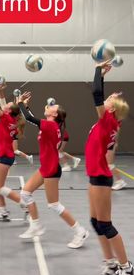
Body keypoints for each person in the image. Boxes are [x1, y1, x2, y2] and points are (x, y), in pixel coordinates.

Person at [17, 92, 89, 249]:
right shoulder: (50, 125)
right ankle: (36, 225)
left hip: (51, 169)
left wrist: (20, 102)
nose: (48, 106)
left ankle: (80, 231)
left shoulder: (51, 125)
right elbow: (34, 120)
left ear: (54, 114)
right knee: (25, 193)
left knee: (54, 204)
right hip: (46, 167)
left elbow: (29, 119)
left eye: (52, 106)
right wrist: (26, 106)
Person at [86, 61, 133, 275]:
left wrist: (98, 69)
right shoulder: (109, 121)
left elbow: (96, 92)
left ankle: (127, 268)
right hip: (94, 176)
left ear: (112, 109)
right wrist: (103, 77)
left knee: (105, 224)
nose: (105, 101)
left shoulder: (107, 120)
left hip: (101, 177)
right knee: (95, 223)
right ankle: (112, 264)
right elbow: (100, 94)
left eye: (109, 102)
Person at [0, 83, 24, 221]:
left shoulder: (6, 118)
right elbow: (3, 104)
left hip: (5, 156)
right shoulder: (12, 119)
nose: (6, 105)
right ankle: (2, 211)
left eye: (7, 106)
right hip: (5, 155)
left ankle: (24, 203)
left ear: (8, 111)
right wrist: (1, 91)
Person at [106, 123, 127, 191]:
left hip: (110, 143)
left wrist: (115, 142)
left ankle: (120, 182)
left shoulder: (114, 120)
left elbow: (116, 130)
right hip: (108, 142)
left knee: (110, 164)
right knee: (105, 163)